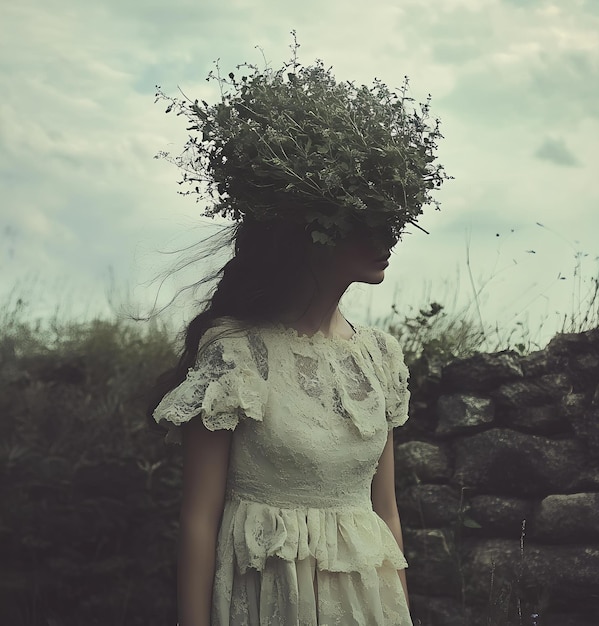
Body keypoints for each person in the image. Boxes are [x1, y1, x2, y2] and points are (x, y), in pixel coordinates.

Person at [150, 43, 447, 625]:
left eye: (394, 216)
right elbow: (198, 519)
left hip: (365, 605)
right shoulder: (236, 355)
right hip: (269, 601)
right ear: (313, 231)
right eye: (366, 218)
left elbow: (384, 514)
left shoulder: (378, 358)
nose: (388, 234)